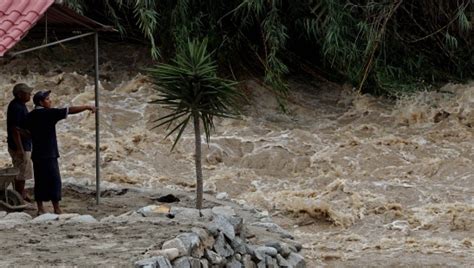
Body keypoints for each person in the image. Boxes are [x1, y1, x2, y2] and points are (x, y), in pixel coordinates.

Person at [26, 90, 96, 215]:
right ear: (41, 102)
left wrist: (33, 136)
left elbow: (21, 129)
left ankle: (40, 208)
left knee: (40, 180)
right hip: (50, 153)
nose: (50, 101)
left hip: (37, 153)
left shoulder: (30, 115)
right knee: (54, 180)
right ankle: (56, 208)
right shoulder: (50, 113)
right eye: (47, 99)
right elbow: (70, 110)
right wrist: (86, 106)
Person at [6, 83, 34, 202]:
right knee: (21, 171)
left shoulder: (20, 105)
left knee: (23, 170)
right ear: (19, 94)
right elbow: (14, 129)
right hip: (19, 145)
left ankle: (21, 192)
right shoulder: (16, 107)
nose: (30, 94)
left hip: (24, 144)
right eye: (27, 93)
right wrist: (19, 148)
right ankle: (18, 195)